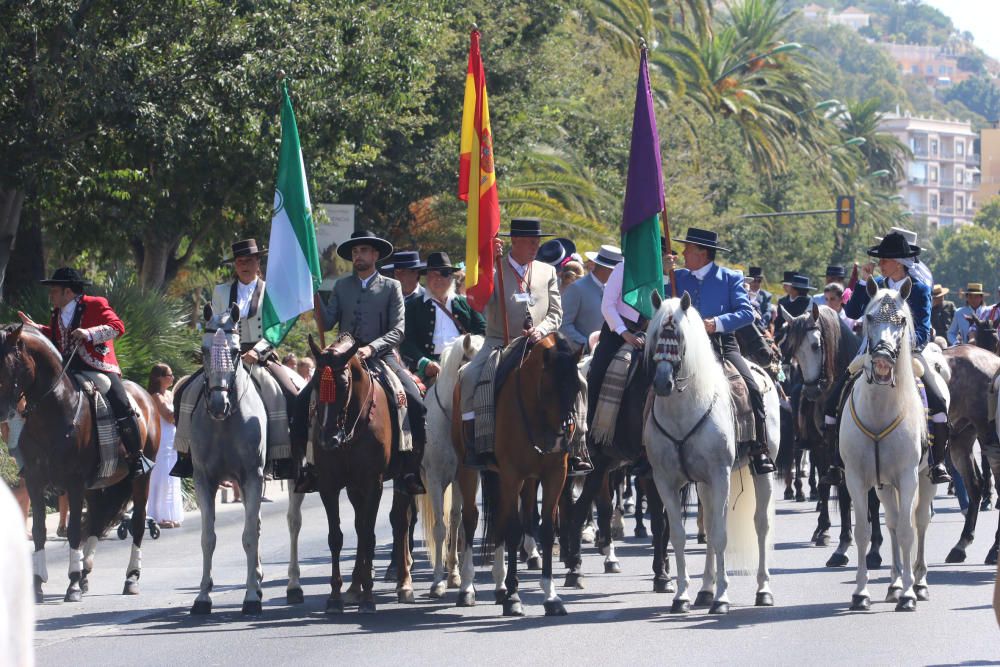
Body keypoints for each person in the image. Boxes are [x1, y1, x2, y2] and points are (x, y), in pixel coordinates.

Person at [302, 229, 426, 495]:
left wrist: (372, 348)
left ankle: (409, 467)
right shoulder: (341, 286)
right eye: (355, 252)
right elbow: (329, 320)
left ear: (375, 255)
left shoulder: (392, 286)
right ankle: (310, 466)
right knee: (305, 398)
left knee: (414, 399)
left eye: (364, 251)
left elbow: (398, 330)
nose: (358, 256)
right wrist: (313, 296)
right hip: (341, 361)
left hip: (381, 356)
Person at [823, 232, 951, 484]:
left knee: (937, 400)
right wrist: (862, 282)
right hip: (870, 353)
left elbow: (923, 331)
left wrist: (902, 349)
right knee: (834, 397)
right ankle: (834, 463)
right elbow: (852, 311)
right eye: (881, 259)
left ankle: (937, 463)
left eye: (885, 258)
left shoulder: (920, 289)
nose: (881, 262)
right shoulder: (876, 285)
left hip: (908, 354)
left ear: (899, 262)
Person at [170, 239, 299, 480]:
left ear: (258, 262)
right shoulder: (220, 292)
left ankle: (283, 457)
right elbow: (214, 325)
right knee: (185, 392)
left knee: (288, 394)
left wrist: (258, 351)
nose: (244, 265)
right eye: (240, 262)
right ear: (235, 266)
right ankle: (186, 455)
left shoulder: (271, 291)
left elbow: (277, 329)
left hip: (259, 355)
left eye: (249, 260)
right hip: (224, 355)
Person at [17, 268, 152, 480]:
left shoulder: (95, 303)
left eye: (54, 290)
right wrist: (37, 328)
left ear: (68, 292)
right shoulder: (57, 312)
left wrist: (89, 333)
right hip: (68, 366)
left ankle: (136, 457)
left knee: (120, 401)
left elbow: (117, 327)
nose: (50, 294)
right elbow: (56, 335)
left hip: (98, 366)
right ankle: (38, 457)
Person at [662, 228, 776, 475]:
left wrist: (716, 323)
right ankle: (645, 447)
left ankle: (759, 447)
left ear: (702, 254)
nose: (682, 253)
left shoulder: (730, 277)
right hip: (683, 347)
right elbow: (660, 306)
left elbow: (747, 313)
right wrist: (662, 275)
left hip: (722, 345)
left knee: (750, 387)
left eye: (688, 249)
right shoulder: (675, 277)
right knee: (653, 381)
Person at [459, 218, 564, 470]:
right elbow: (478, 301)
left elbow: (556, 313)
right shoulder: (495, 270)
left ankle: (575, 440)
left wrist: (540, 330)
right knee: (469, 377)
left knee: (576, 380)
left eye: (537, 241)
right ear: (513, 242)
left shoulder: (547, 271)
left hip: (540, 342)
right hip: (499, 342)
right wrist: (486, 267)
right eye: (530, 241)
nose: (535, 246)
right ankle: (475, 443)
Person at [401, 251, 486, 383]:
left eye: (444, 274)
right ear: (426, 278)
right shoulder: (412, 306)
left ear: (451, 278)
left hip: (465, 365)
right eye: (433, 275)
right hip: (430, 369)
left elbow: (483, 331)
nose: (438, 279)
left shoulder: (467, 303)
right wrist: (424, 363)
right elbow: (406, 342)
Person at [560, 245, 622, 354]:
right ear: (608, 270)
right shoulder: (576, 288)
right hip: (578, 357)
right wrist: (586, 344)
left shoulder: (615, 290)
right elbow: (563, 324)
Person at [145, 363, 183, 529]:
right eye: (169, 374)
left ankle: (170, 514)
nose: (172, 378)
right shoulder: (156, 396)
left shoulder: (169, 394)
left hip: (173, 439)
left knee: (172, 478)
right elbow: (169, 416)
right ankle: (158, 516)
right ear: (159, 377)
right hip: (161, 441)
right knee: (162, 477)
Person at [773, 271, 815, 335]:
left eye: (787, 285)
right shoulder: (782, 302)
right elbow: (778, 321)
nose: (784, 287)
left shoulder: (810, 302)